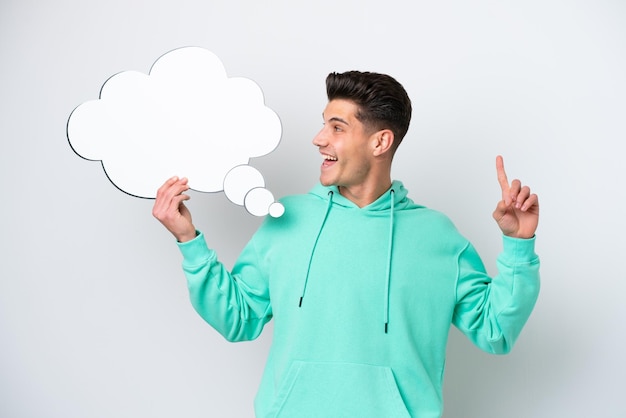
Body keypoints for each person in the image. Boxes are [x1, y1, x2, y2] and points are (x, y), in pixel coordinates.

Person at [152, 71, 540, 418]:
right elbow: (237, 319)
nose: (319, 139)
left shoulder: (437, 237)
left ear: (380, 142)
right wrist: (188, 239)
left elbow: (495, 331)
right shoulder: (286, 219)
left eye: (337, 127)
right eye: (324, 125)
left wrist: (518, 246)